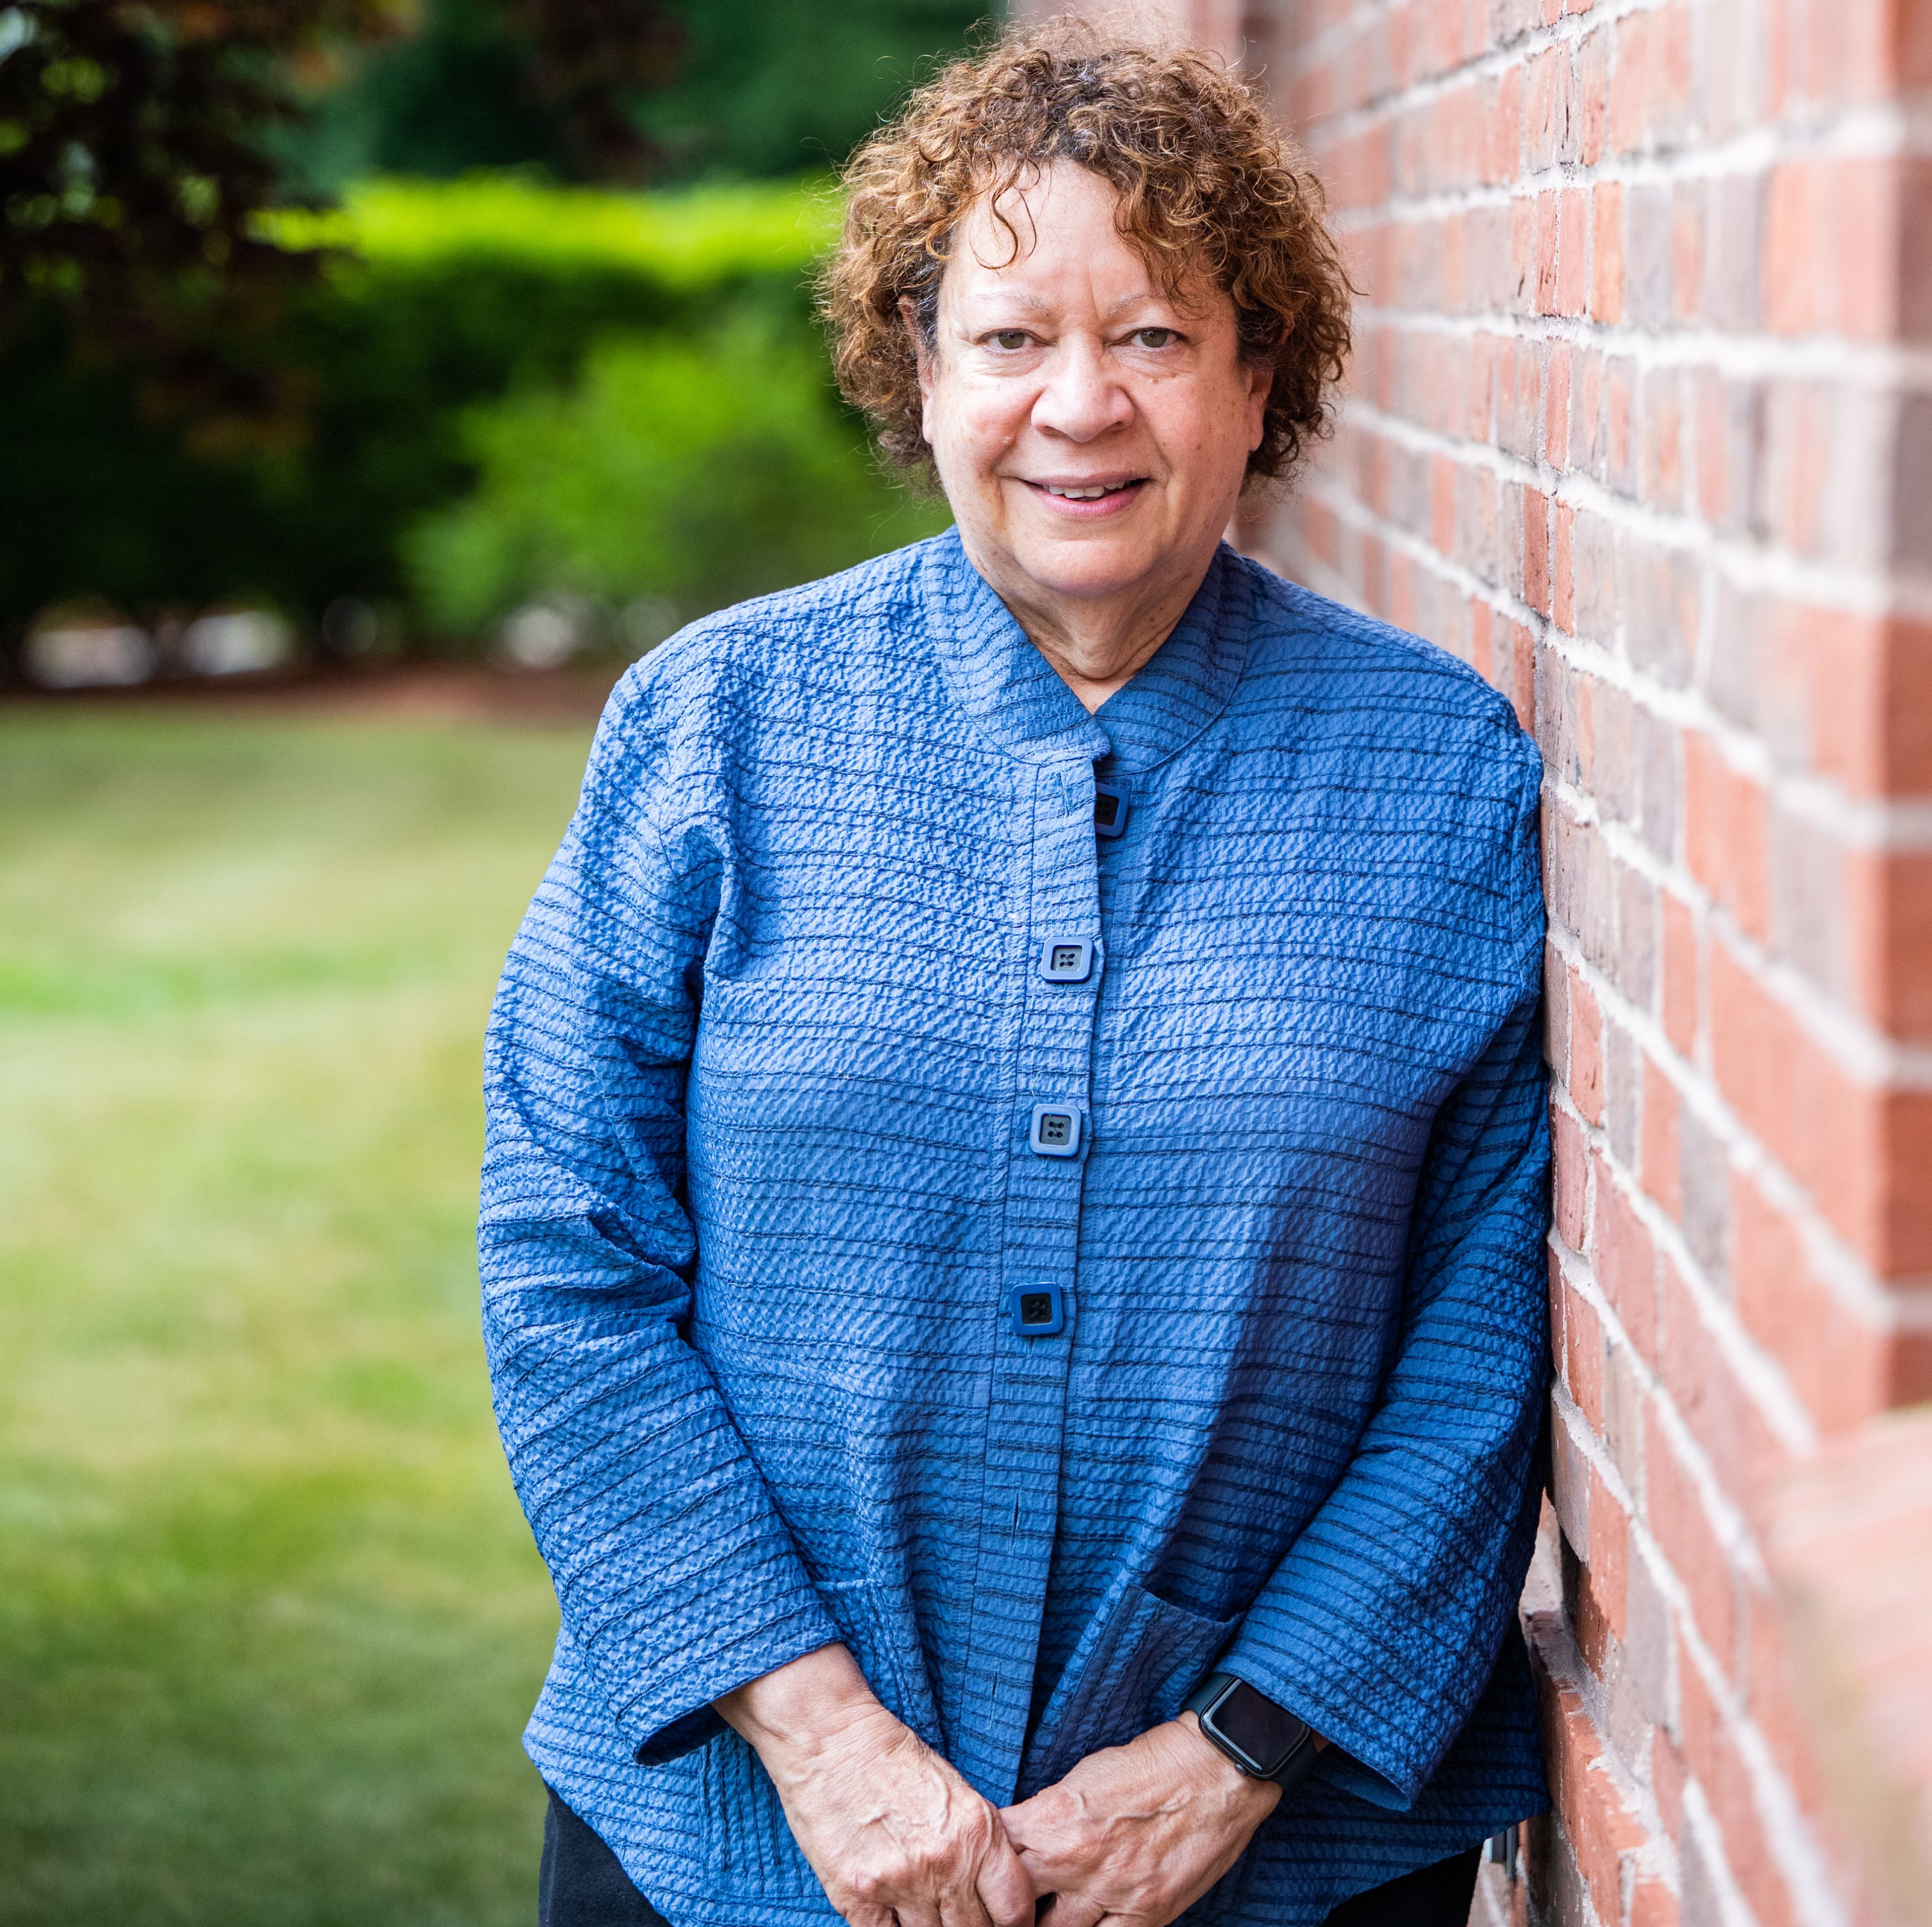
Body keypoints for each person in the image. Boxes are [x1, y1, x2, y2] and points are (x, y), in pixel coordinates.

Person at [479, 21, 1553, 1927]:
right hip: (741, 1842)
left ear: (1260, 377)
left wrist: (1233, 1756)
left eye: (1152, 336)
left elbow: (1479, 1353)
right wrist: (823, 1742)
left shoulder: (1440, 774)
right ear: (921, 368)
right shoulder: (711, 728)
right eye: (1009, 337)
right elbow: (569, 1262)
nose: (1080, 405)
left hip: (1276, 1861)